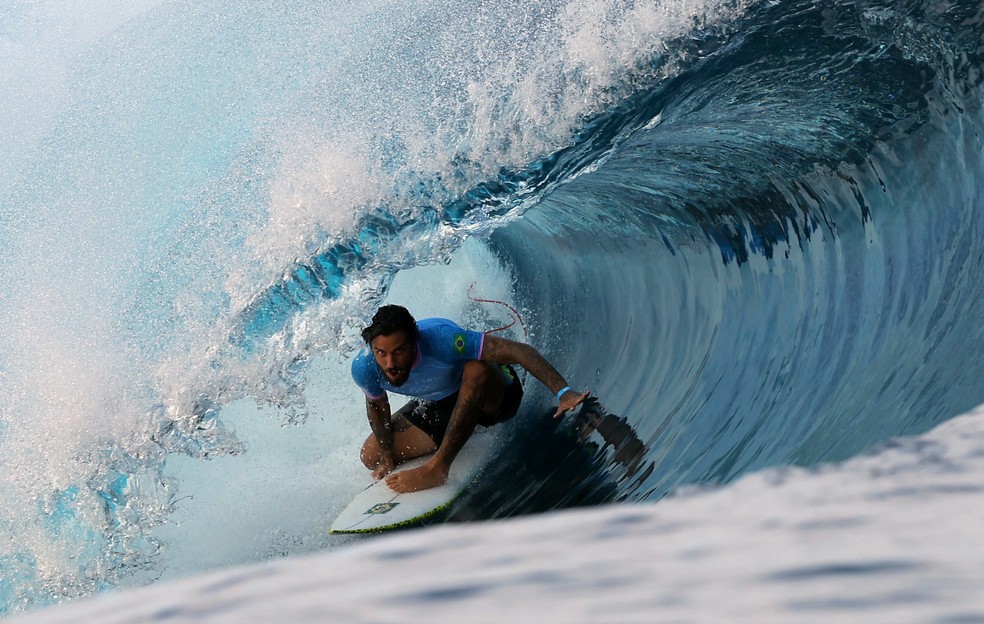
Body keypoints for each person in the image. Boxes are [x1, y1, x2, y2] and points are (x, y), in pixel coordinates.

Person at [352, 304, 589, 493]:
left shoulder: (442, 339)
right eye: (381, 353)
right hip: (442, 402)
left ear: (415, 341)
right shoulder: (365, 367)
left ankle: (438, 468)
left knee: (475, 368)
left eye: (399, 351)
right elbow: (377, 406)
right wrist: (386, 456)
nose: (390, 363)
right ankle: (459, 429)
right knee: (370, 455)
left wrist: (563, 392)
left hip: (495, 395)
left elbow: (519, 351)